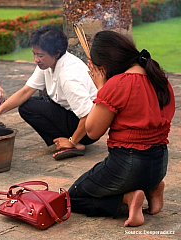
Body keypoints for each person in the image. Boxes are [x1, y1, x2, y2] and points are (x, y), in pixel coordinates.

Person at [68, 30, 175, 227]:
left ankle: (128, 198)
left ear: (104, 65)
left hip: (129, 165)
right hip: (159, 163)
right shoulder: (159, 77)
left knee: (72, 197)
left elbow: (92, 131)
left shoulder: (118, 84)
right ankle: (152, 190)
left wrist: (102, 89)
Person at [0, 25, 98, 160]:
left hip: (88, 128)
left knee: (29, 107)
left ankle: (73, 143)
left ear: (57, 53)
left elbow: (88, 115)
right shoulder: (47, 64)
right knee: (29, 104)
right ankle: (63, 140)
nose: (36, 59)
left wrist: (72, 141)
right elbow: (25, 92)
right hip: (73, 115)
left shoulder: (68, 76)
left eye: (40, 55)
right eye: (34, 53)